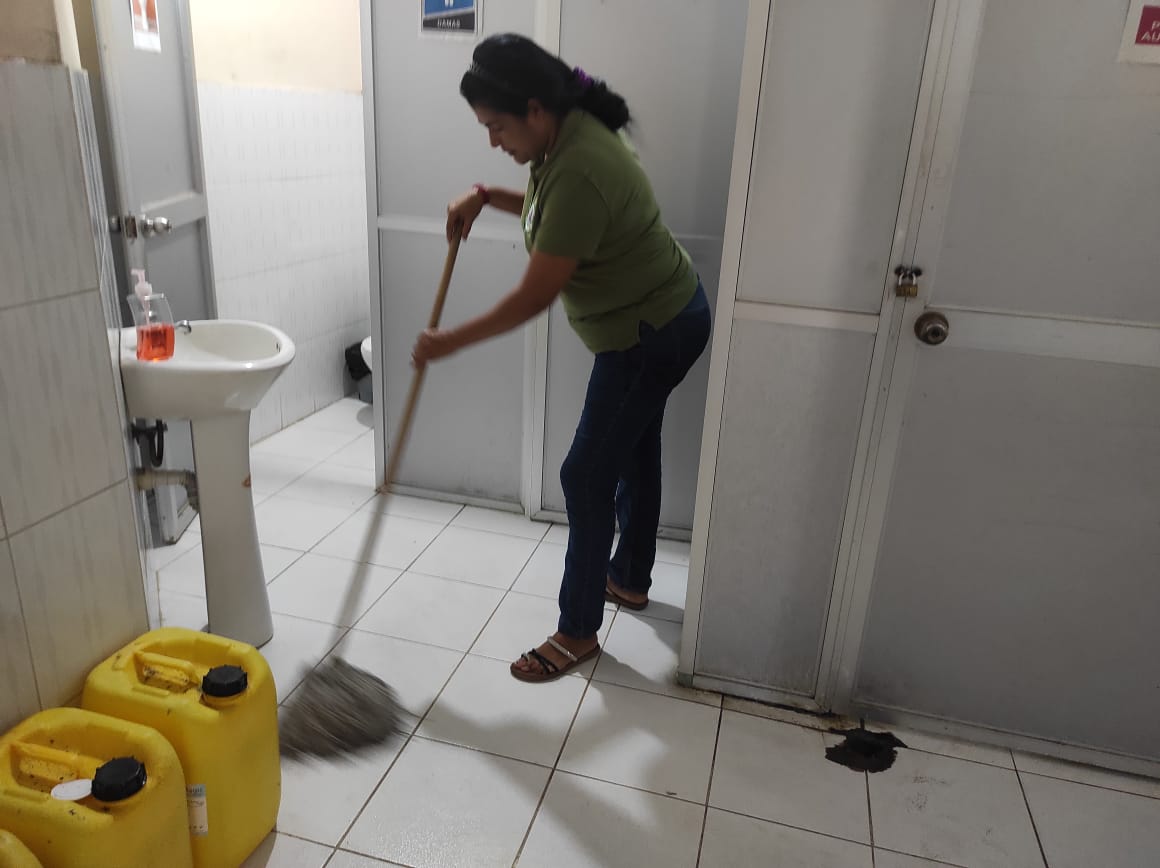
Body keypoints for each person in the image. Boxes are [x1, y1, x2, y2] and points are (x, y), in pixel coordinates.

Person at [411, 33, 711, 683]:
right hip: (663, 317)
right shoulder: (563, 140)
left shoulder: (579, 165)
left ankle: (577, 631)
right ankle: (628, 579)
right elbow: (553, 216)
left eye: (496, 126)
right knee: (633, 449)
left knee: (585, 475)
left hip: (650, 332)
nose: (494, 141)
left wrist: (448, 341)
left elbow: (533, 295)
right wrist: (487, 195)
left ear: (534, 109)